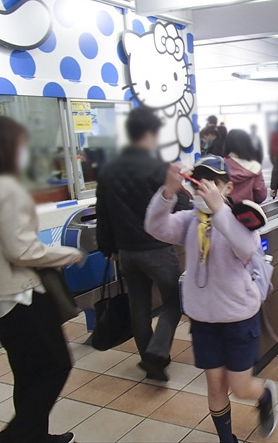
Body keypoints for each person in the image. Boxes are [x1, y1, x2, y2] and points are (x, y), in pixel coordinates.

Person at [145, 155, 278, 442]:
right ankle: (226, 439)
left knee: (240, 387)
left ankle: (264, 395)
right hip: (203, 320)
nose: (204, 189)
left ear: (227, 188)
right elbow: (154, 227)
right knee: (215, 384)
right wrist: (167, 192)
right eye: (198, 182)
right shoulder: (188, 221)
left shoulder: (242, 220)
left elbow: (245, 249)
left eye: (213, 183)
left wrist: (220, 211)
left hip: (239, 319)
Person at [0, 115, 83, 443]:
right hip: (21, 294)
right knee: (55, 366)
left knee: (28, 372)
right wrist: (67, 254)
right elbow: (22, 251)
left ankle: (35, 437)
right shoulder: (6, 186)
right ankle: (15, 438)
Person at [96, 107, 189, 381]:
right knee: (173, 302)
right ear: (150, 133)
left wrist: (108, 247)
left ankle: (147, 355)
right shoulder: (159, 169)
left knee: (139, 304)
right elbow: (180, 205)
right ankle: (156, 355)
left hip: (127, 252)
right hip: (157, 249)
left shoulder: (108, 170)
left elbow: (104, 212)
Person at [224, 129, 267, 204]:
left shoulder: (220, 164)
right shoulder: (255, 167)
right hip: (246, 211)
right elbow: (261, 196)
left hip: (224, 211)